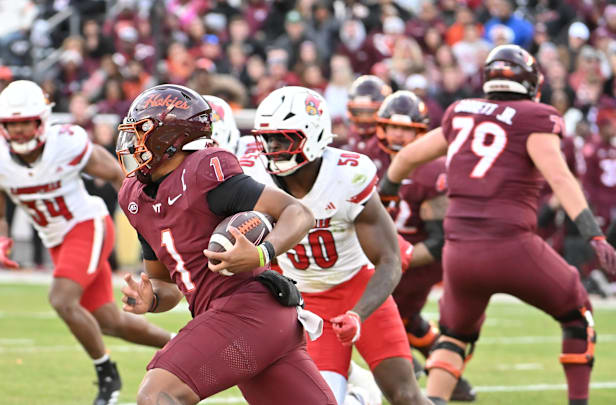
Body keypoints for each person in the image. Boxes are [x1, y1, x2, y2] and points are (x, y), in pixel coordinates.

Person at [379, 45, 616, 405]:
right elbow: (560, 177)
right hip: (511, 246)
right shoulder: (534, 117)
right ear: (530, 82)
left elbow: (407, 158)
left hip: (458, 254)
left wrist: (386, 198)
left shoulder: (462, 111)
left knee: (455, 335)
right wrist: (593, 232)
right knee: (578, 313)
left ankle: (434, 400)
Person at [116, 84, 336, 405]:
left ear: (170, 138)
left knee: (156, 395)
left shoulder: (205, 171)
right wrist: (150, 300)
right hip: (257, 324)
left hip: (247, 310)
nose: (133, 143)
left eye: (142, 132)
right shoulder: (134, 197)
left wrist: (262, 252)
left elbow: (297, 212)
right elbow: (168, 285)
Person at [0, 80, 172, 405]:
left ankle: (107, 375)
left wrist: (148, 217)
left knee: (62, 299)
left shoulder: (67, 143)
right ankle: (182, 346)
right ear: (1, 126)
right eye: (13, 124)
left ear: (42, 120)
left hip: (88, 224)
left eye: (27, 122)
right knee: (109, 322)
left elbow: (118, 175)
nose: (21, 131)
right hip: (57, 240)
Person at [239, 86, 431, 405]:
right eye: (267, 138)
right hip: (308, 303)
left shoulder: (347, 175)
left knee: (406, 396)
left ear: (312, 136)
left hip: (357, 287)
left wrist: (358, 314)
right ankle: (362, 397)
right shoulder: (253, 175)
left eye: (282, 138)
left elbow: (389, 260)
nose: (271, 148)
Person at [373, 91, 476, 401]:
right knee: (404, 320)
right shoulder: (370, 158)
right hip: (385, 253)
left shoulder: (431, 171)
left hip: (415, 259)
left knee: (379, 317)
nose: (398, 134)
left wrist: (395, 258)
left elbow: (438, 242)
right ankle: (448, 377)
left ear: (421, 132)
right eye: (392, 127)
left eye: (406, 129)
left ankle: (416, 377)